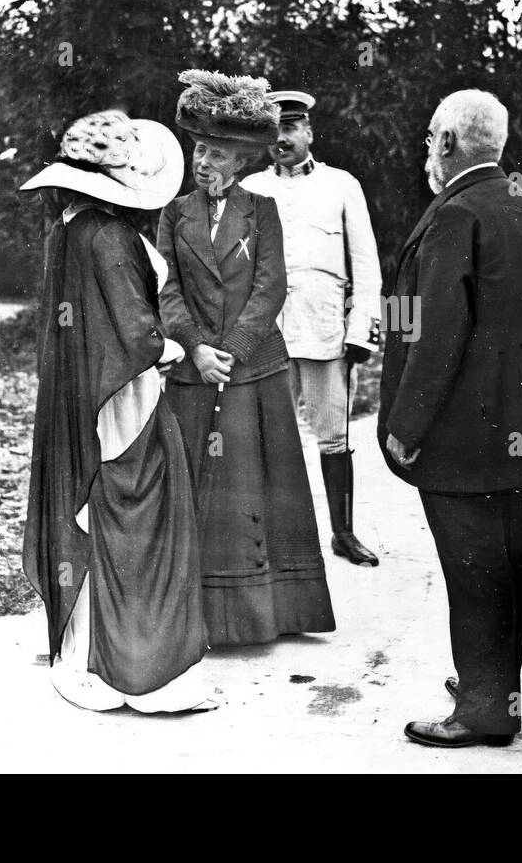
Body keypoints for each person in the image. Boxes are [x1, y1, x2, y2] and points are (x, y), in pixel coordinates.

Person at [378, 90, 522, 748]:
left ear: (450, 143)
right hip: (521, 442)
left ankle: (485, 708)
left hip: (464, 442)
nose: (425, 149)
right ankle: (494, 690)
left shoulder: (457, 215)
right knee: (504, 570)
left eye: (431, 136)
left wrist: (404, 426)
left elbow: (436, 338)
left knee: (472, 574)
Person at [20, 110, 216, 713]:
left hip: (79, 394)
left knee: (92, 510)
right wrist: (175, 347)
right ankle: (141, 671)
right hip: (121, 396)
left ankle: (83, 656)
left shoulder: (68, 228)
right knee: (144, 517)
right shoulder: (110, 237)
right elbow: (136, 333)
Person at [158, 70, 335, 647]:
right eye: (197, 149)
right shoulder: (173, 213)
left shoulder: (261, 211)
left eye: (214, 153)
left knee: (256, 486)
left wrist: (227, 353)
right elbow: (166, 291)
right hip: (192, 370)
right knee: (199, 487)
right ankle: (197, 617)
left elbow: (271, 289)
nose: (202, 162)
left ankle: (269, 613)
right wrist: (195, 349)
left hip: (252, 371)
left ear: (238, 162)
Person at [242, 90, 383, 567]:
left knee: (334, 436)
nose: (281, 139)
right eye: (273, 131)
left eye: (290, 128)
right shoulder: (253, 190)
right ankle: (280, 543)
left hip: (325, 331)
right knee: (272, 437)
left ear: (308, 133)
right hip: (267, 335)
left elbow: (366, 266)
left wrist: (361, 330)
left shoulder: (342, 185)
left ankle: (343, 533)